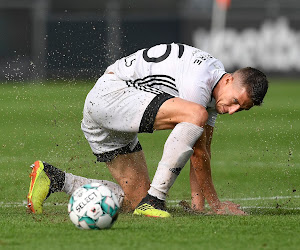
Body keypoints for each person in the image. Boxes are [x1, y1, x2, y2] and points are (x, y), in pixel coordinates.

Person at [27, 43, 268, 217]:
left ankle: (56, 179)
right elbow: (198, 151)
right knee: (197, 116)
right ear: (228, 80)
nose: (232, 110)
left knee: (134, 200)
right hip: (112, 96)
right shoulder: (199, 84)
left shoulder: (215, 89)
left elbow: (202, 151)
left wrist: (199, 206)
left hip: (110, 109)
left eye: (241, 109)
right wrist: (217, 205)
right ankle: (154, 201)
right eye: (236, 101)